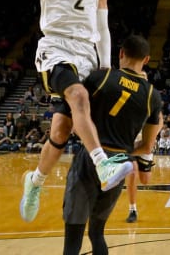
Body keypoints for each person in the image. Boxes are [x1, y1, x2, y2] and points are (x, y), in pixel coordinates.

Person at [20, 0, 132, 223]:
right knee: (79, 96)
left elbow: (103, 29)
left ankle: (34, 182)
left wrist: (107, 68)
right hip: (55, 49)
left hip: (86, 55)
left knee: (60, 131)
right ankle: (103, 163)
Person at [62, 34, 163, 254]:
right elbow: (147, 147)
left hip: (90, 158)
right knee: (97, 233)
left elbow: (73, 120)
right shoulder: (152, 96)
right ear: (146, 60)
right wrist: (125, 151)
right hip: (120, 163)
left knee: (73, 238)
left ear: (120, 53)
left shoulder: (101, 77)